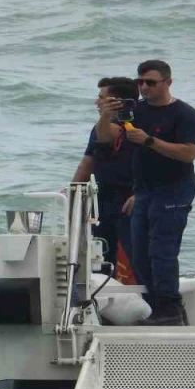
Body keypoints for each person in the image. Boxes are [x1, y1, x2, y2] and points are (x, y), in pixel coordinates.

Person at [96, 59, 195, 325]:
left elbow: (188, 153)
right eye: (140, 82)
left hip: (174, 190)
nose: (144, 87)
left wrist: (149, 141)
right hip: (143, 190)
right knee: (140, 253)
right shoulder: (135, 111)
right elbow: (106, 138)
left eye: (151, 83)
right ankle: (158, 306)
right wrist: (105, 116)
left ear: (168, 82)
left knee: (162, 251)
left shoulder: (184, 114)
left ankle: (169, 307)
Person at [73, 76, 138, 281]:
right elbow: (87, 162)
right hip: (102, 198)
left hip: (130, 198)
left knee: (134, 254)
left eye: (102, 97)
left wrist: (141, 193)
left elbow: (109, 135)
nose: (97, 102)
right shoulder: (100, 126)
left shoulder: (139, 123)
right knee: (100, 252)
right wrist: (73, 193)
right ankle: (101, 297)